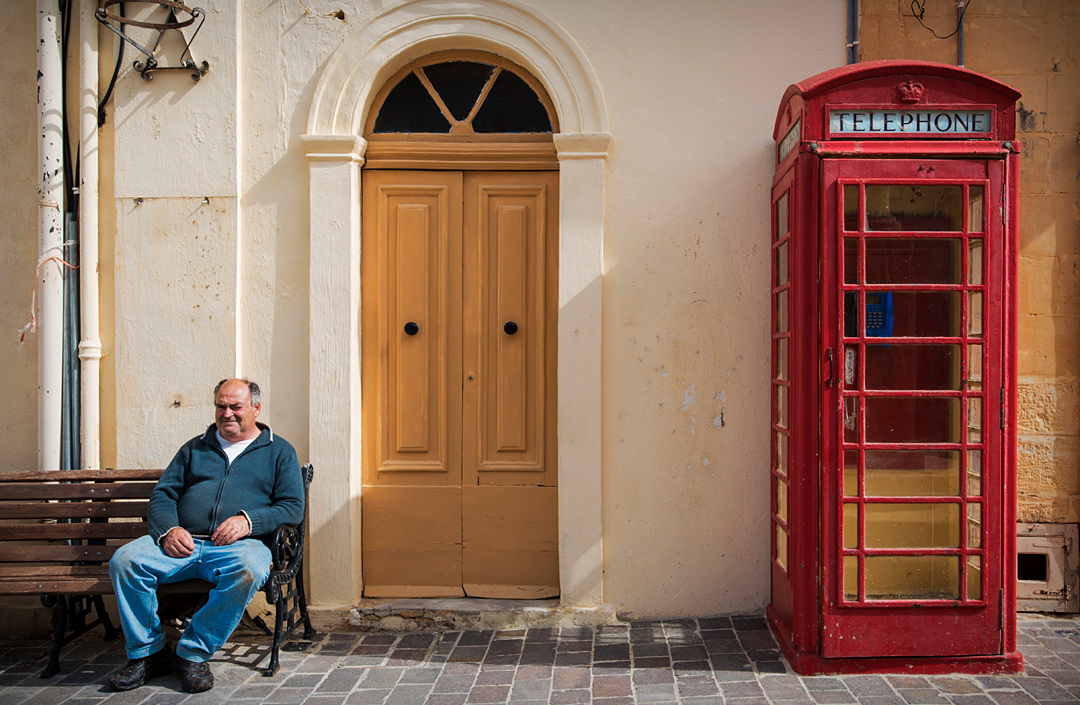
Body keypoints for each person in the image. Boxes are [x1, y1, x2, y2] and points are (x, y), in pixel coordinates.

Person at [107, 379, 305, 693]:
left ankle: (192, 653)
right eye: (221, 406)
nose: (227, 414)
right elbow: (163, 495)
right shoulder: (194, 448)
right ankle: (147, 654)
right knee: (125, 561)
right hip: (182, 544)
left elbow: (292, 507)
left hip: (239, 546)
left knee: (250, 569)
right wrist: (168, 530)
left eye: (236, 407)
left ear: (255, 409)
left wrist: (248, 521)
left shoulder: (279, 451)